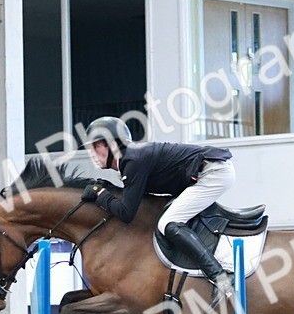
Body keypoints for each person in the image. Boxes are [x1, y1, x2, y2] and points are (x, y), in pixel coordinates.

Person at [80, 116, 236, 303]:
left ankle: (221, 278)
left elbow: (126, 213)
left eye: (95, 146)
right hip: (206, 172)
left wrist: (100, 194)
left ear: (112, 145)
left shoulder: (132, 160)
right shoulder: (130, 160)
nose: (91, 154)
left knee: (168, 223)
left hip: (213, 173)